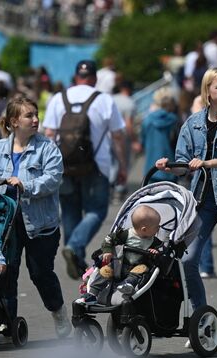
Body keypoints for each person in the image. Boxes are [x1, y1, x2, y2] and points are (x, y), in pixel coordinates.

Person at [156, 67, 217, 352]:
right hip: (202, 201)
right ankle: (203, 324)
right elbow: (184, 163)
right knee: (188, 261)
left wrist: (207, 163)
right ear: (207, 92)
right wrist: (169, 165)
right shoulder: (193, 123)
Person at [0, 97, 71, 343]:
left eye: (36, 115)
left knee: (40, 273)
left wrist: (25, 185)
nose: (35, 119)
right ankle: (6, 326)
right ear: (14, 122)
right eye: (29, 116)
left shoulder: (47, 148)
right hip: (5, 225)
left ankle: (58, 311)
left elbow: (53, 179)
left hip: (41, 225)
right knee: (6, 273)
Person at [43, 60, 128, 279]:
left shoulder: (58, 98)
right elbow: (118, 136)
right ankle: (74, 247)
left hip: (64, 165)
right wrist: (123, 166)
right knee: (97, 211)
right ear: (94, 78)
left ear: (76, 76)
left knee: (70, 210)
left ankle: (76, 255)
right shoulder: (104, 100)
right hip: (97, 165)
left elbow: (49, 134)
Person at [76, 205, 162, 304]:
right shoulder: (125, 234)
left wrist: (156, 251)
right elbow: (108, 240)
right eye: (157, 227)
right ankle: (92, 294)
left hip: (136, 267)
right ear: (144, 229)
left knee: (142, 269)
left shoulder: (154, 241)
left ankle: (127, 285)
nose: (159, 228)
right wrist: (107, 251)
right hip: (119, 265)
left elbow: (161, 249)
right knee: (105, 270)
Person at [140, 87, 178, 183]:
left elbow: (143, 143)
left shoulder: (147, 120)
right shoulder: (174, 120)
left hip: (151, 169)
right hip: (170, 167)